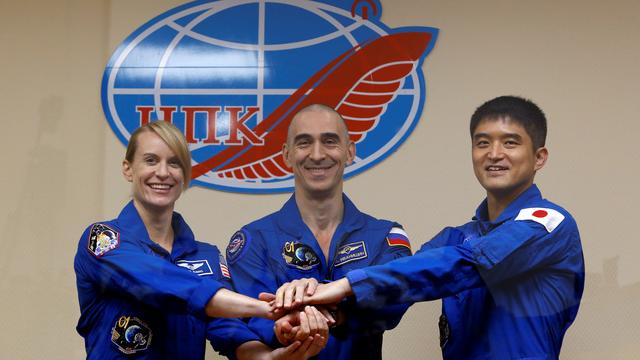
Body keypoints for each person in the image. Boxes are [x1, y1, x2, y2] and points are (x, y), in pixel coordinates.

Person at [276, 96, 585, 359]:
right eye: (482, 143)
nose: (494, 153)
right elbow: (400, 286)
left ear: (538, 158)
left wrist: (343, 285)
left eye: (510, 142)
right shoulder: (456, 237)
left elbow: (469, 264)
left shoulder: (548, 225)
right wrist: (324, 314)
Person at [74, 121, 326, 359]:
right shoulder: (103, 239)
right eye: (151, 160)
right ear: (128, 168)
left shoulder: (206, 257)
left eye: (174, 163)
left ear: (185, 174)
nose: (163, 172)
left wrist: (271, 356)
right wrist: (270, 309)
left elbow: (227, 327)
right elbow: (164, 283)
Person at [226, 104, 413, 359]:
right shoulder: (254, 241)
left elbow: (394, 302)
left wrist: (328, 309)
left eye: (329, 141)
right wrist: (289, 325)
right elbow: (253, 317)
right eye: (304, 143)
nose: (317, 154)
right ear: (287, 154)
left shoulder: (385, 236)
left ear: (349, 152)